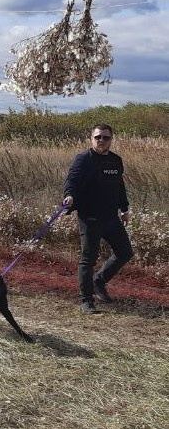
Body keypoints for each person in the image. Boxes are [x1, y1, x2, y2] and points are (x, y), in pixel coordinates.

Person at [63, 123, 133, 315]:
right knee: (88, 260)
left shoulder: (116, 161)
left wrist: (125, 209)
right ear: (91, 139)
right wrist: (69, 196)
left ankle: (98, 281)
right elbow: (72, 181)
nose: (102, 141)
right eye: (98, 137)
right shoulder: (83, 159)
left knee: (125, 252)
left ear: (111, 139)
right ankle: (86, 300)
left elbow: (119, 187)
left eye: (106, 137)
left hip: (111, 218)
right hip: (90, 218)